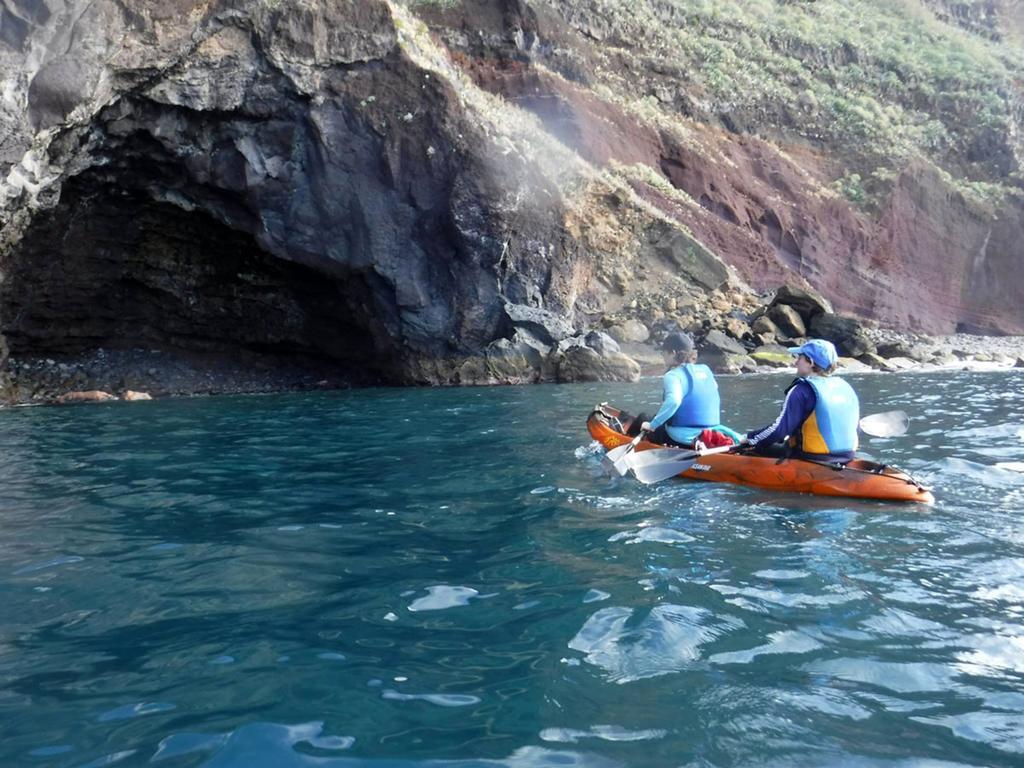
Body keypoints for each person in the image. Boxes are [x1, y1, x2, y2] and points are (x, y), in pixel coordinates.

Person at [742, 338, 860, 462]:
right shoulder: (845, 387)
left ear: (811, 362)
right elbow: (855, 429)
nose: (796, 362)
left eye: (800, 358)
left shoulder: (802, 390)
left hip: (812, 458)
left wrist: (749, 438)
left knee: (752, 448)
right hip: (848, 456)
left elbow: (779, 431)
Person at [636, 332, 742, 447]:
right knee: (655, 418)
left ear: (673, 353)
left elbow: (674, 401)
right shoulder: (705, 370)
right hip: (711, 431)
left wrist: (652, 425)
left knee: (643, 418)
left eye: (664, 353)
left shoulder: (673, 375)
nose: (662, 356)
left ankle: (631, 443)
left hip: (681, 436)